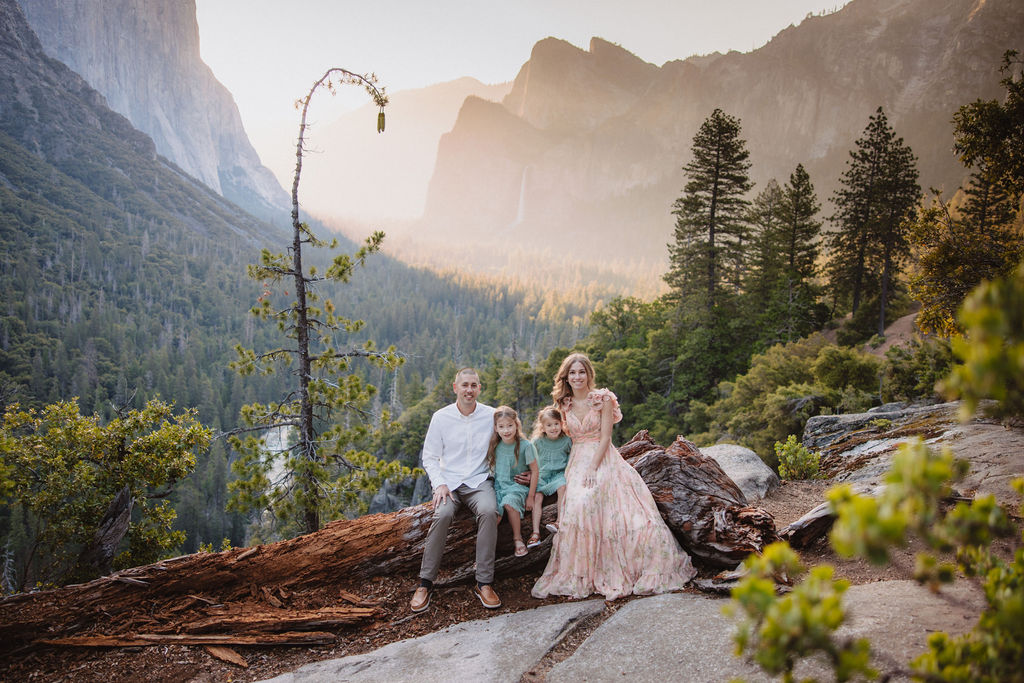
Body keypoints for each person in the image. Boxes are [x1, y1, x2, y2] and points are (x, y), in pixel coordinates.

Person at [532, 352, 696, 601]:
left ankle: (629, 567)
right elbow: (552, 439)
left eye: (581, 372)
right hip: (576, 459)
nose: (577, 377)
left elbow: (606, 437)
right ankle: (582, 574)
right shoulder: (563, 404)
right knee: (579, 507)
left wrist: (593, 468)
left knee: (619, 510)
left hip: (603, 456)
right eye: (572, 373)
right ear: (566, 377)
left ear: (589, 374)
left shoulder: (603, 399)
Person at [411, 367, 501, 613]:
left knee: (489, 510)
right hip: (448, 482)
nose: (469, 390)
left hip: (479, 480)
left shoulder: (492, 416)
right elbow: (429, 457)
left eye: (473, 385)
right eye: (465, 385)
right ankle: (425, 583)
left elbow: (511, 444)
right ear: (455, 387)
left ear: (479, 388)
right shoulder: (441, 417)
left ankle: (484, 582)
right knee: (442, 515)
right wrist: (439, 483)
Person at [488, 406, 539, 557]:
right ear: (496, 428)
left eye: (510, 425)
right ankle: (486, 554)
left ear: (516, 425)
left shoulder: (525, 446)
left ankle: (518, 539)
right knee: (493, 515)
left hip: (517, 487)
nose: (506, 430)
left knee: (509, 503)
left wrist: (530, 496)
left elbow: (535, 471)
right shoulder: (495, 446)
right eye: (501, 427)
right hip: (499, 487)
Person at [528, 405, 570, 544]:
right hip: (542, 476)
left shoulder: (566, 440)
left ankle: (559, 521)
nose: (554, 428)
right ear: (543, 427)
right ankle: (535, 533)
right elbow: (528, 459)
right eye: (549, 425)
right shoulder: (537, 442)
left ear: (561, 423)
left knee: (562, 487)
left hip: (558, 474)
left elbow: (572, 458)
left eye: (556, 424)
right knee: (537, 497)